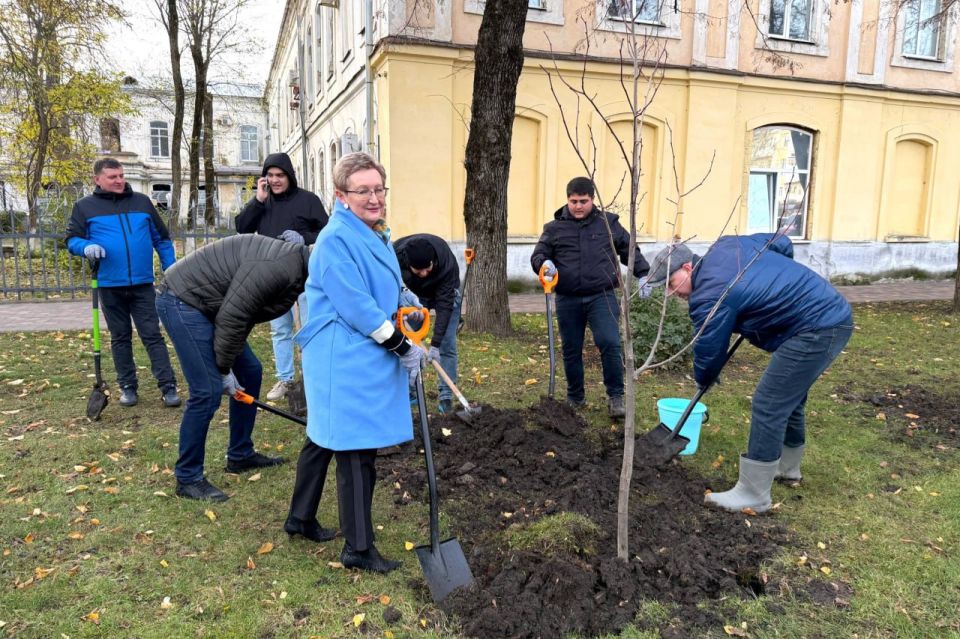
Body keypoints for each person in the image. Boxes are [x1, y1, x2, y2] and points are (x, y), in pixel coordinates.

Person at [287, 152, 425, 573]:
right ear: (341, 195)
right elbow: (358, 305)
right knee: (355, 449)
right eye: (362, 190)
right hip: (342, 355)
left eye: (378, 189)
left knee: (323, 438)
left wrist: (404, 295)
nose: (373, 198)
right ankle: (358, 548)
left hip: (356, 350)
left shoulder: (372, 231)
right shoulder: (334, 240)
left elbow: (381, 279)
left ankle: (300, 518)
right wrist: (402, 346)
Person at [646, 233, 853, 513]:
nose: (673, 293)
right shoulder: (728, 246)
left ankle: (753, 493)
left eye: (671, 285)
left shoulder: (710, 295)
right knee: (789, 397)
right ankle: (787, 467)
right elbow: (782, 242)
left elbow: (709, 349)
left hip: (816, 326)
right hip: (825, 315)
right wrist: (771, 283)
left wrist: (705, 379)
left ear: (687, 268)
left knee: (769, 403)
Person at [155, 234, 310, 501]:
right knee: (207, 391)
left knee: (250, 371)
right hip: (183, 299)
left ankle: (240, 454)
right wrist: (224, 370)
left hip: (212, 304)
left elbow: (246, 310)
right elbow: (234, 315)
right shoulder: (279, 268)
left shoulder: (298, 270)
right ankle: (188, 477)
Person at [530, 177, 650, 418]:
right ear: (567, 200)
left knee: (610, 342)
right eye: (573, 201)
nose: (578, 206)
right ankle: (575, 398)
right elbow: (539, 254)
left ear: (592, 200)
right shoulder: (554, 228)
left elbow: (628, 248)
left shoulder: (608, 223)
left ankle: (615, 397)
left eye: (583, 201)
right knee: (571, 348)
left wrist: (644, 272)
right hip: (567, 298)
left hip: (601, 296)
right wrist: (545, 263)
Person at [66, 158, 181, 409]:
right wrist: (86, 246)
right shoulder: (84, 207)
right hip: (109, 285)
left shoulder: (141, 202)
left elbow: (161, 239)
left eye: (121, 175)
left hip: (142, 284)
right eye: (112, 177)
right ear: (97, 179)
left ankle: (168, 385)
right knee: (120, 337)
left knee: (153, 335)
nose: (119, 180)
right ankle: (128, 386)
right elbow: (72, 240)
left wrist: (169, 266)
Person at [235, 152, 328, 402]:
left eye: (280, 175)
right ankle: (286, 379)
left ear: (289, 176)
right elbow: (241, 229)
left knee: (309, 328)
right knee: (280, 330)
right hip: (274, 277)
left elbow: (327, 232)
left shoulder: (308, 200)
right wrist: (258, 200)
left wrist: (304, 238)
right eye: (270, 175)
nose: (275, 180)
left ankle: (313, 376)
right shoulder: (262, 202)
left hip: (305, 277)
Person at [394, 234, 461, 414]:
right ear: (408, 264)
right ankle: (411, 391)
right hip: (414, 299)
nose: (424, 274)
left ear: (433, 261)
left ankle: (446, 396)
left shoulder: (445, 262)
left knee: (447, 345)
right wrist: (405, 305)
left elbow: (445, 305)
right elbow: (391, 288)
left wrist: (436, 344)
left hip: (446, 295)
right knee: (404, 343)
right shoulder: (395, 258)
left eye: (427, 268)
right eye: (418, 270)